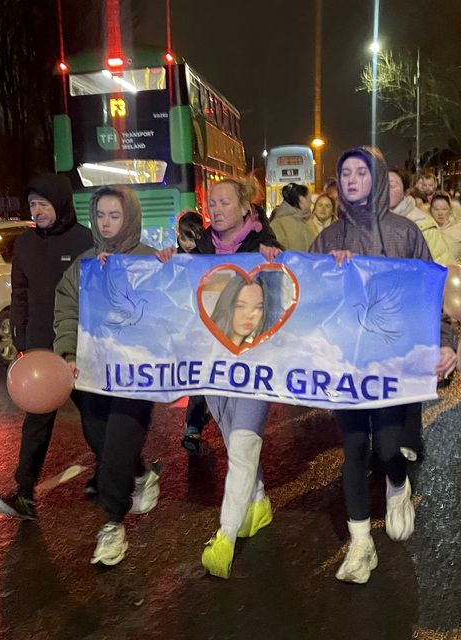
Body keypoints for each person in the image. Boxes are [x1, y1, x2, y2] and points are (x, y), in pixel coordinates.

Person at [310, 147, 457, 584]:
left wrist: (446, 341)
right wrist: (324, 271)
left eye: (361, 172)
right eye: (345, 173)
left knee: (389, 450)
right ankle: (360, 545)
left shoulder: (404, 232)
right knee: (354, 449)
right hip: (347, 365)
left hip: (395, 363)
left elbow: (432, 290)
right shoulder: (327, 239)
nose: (352, 179)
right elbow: (307, 297)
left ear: (376, 177)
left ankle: (398, 485)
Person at [157, 177, 282, 579]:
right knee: (231, 436)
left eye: (225, 202)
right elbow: (179, 289)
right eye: (212, 202)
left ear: (245, 207)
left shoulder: (264, 245)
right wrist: (167, 260)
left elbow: (287, 296)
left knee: (243, 443)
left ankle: (225, 536)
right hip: (211, 361)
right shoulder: (200, 248)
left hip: (254, 362)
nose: (216, 208)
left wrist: (277, 260)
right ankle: (258, 501)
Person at [53, 186, 162, 565]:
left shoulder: (151, 260)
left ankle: (113, 524)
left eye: (114, 215)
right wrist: (67, 354)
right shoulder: (84, 264)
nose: (106, 223)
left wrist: (168, 267)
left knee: (118, 442)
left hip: (136, 375)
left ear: (129, 217)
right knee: (98, 436)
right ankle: (141, 473)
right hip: (94, 371)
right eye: (100, 215)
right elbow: (67, 309)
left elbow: (170, 306)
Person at [0, 174, 93, 520]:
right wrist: (20, 337)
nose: (37, 211)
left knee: (95, 418)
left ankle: (131, 472)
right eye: (33, 205)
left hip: (78, 346)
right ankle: (24, 493)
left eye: (43, 204)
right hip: (39, 347)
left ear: (60, 204)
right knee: (36, 421)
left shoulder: (85, 241)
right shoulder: (25, 244)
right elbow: (20, 292)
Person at [176, 210, 212, 454]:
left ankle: (194, 425)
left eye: (193, 238)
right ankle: (194, 424)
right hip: (185, 329)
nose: (188, 244)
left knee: (203, 378)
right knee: (196, 379)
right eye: (184, 237)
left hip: (206, 328)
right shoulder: (173, 258)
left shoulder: (209, 257)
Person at [388, 168, 454, 265]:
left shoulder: (423, 223)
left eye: (392, 186)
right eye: (382, 185)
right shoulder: (371, 222)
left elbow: (441, 263)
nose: (385, 190)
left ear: (406, 191)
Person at [269, 183, 316, 251]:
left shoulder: (306, 221)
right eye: (309, 198)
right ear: (301, 199)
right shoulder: (279, 223)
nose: (311, 202)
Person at [427, 193, 461, 264]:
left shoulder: (460, 229)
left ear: (450, 210)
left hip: (454, 268)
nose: (440, 213)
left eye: (444, 209)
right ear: (430, 210)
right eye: (436, 209)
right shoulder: (426, 228)